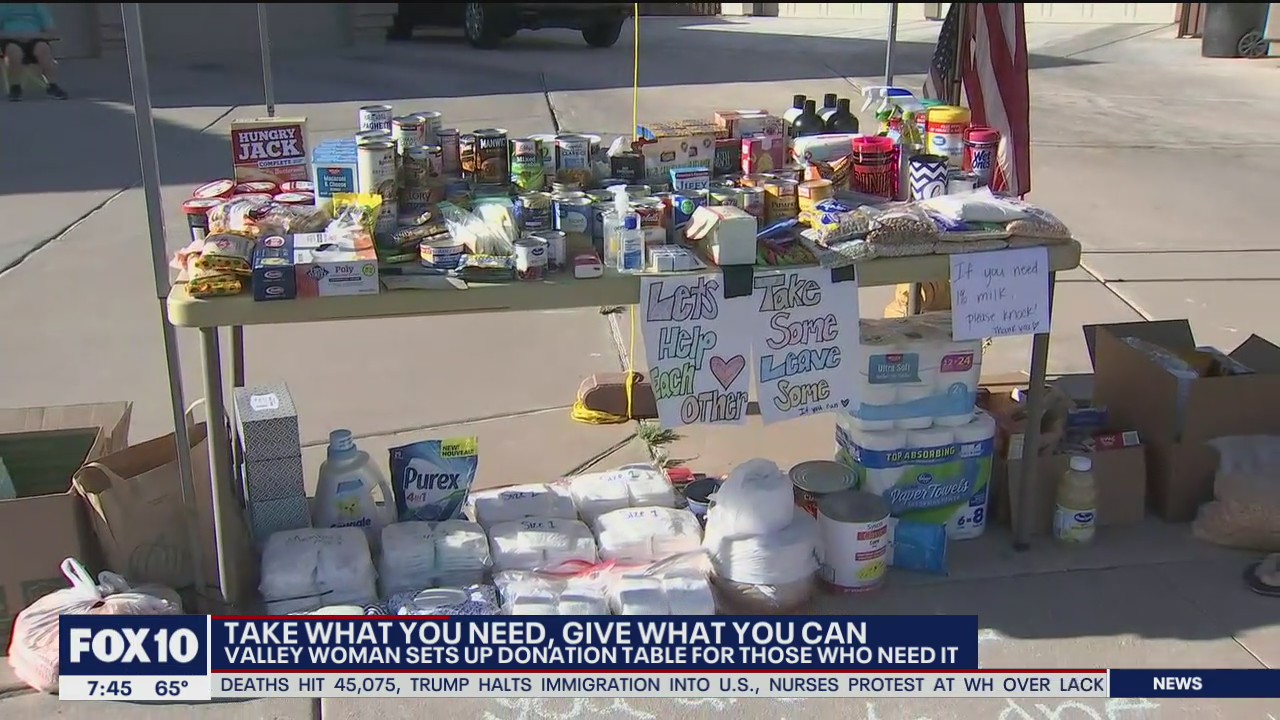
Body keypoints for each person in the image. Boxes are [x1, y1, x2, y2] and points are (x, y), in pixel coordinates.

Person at [0, 3, 67, 101]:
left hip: (35, 38)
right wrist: (14, 35)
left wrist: (32, 35)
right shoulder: (4, 6)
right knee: (14, 53)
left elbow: (51, 32)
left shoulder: (38, 6)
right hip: (11, 39)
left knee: (43, 49)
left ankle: (53, 85)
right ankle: (15, 87)